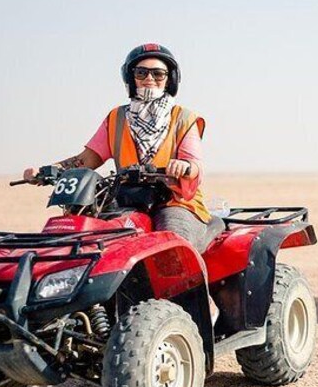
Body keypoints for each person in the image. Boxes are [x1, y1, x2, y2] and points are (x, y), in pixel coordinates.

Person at [22, 42, 211, 246]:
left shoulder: (183, 118)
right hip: (128, 198)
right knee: (93, 236)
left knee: (172, 243)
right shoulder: (117, 118)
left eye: (158, 74)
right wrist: (49, 171)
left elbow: (195, 165)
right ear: (131, 77)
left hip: (175, 201)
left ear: (169, 79)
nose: (149, 79)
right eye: (141, 73)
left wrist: (185, 166)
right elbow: (86, 159)